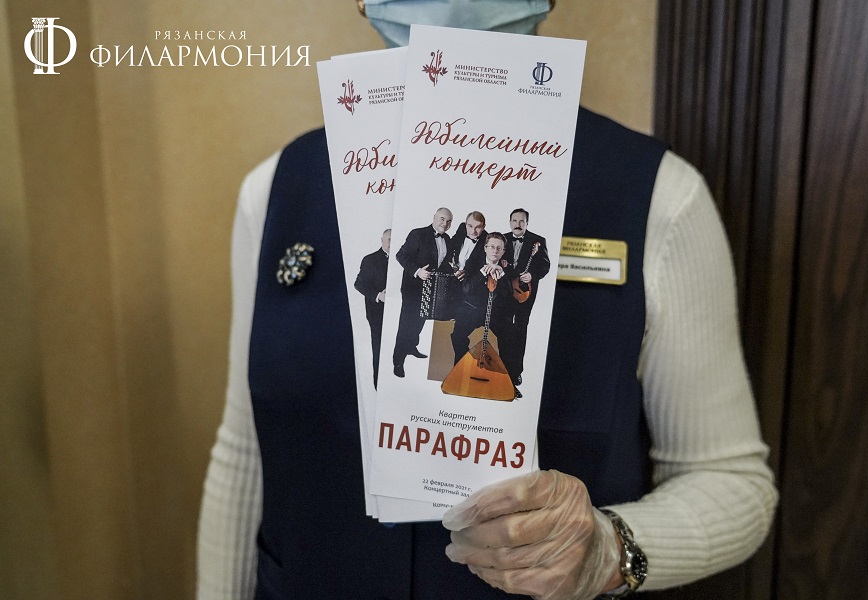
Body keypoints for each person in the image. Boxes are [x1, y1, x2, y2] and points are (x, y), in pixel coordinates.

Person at [197, 2, 778, 599]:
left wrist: (610, 548)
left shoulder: (657, 196)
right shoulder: (277, 190)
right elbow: (246, 456)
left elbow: (731, 482)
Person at [391, 207, 453, 377]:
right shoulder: (418, 234)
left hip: (431, 287)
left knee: (421, 319)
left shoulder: (447, 239)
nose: (444, 223)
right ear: (434, 218)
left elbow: (443, 263)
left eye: (448, 221)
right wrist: (417, 271)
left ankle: (411, 346)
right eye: (442, 219)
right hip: (412, 287)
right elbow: (400, 255)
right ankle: (398, 360)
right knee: (406, 323)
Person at [449, 233, 515, 373]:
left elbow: (510, 295)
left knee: (510, 338)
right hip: (473, 310)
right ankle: (463, 367)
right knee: (457, 336)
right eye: (492, 247)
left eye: (499, 248)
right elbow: (466, 288)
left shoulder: (507, 267)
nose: (495, 251)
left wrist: (502, 275)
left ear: (503, 251)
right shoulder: (473, 263)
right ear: (485, 248)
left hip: (496, 313)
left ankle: (508, 377)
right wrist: (482, 273)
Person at [501, 208, 551, 387]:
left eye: (521, 221)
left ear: (527, 223)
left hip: (525, 292)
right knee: (504, 329)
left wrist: (533, 275)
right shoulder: (502, 238)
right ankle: (503, 368)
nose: (518, 224)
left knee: (521, 329)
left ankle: (516, 372)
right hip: (505, 292)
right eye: (514, 221)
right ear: (510, 222)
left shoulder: (538, 240)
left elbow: (545, 265)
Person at [354, 229, 391, 388]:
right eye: (389, 239)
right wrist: (378, 295)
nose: (392, 243)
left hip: (398, 313)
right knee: (379, 349)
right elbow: (359, 284)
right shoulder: (370, 259)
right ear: (382, 240)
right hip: (377, 313)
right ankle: (378, 385)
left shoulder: (402, 259)